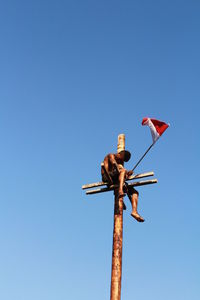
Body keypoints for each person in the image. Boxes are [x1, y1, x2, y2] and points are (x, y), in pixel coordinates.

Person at [101, 150, 144, 222]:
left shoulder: (120, 162)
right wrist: (124, 171)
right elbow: (114, 164)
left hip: (116, 179)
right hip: (107, 176)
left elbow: (120, 173)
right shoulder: (110, 155)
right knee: (123, 170)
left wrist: (128, 174)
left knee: (135, 192)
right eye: (121, 159)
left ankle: (134, 211)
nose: (121, 160)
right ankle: (120, 190)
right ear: (119, 154)